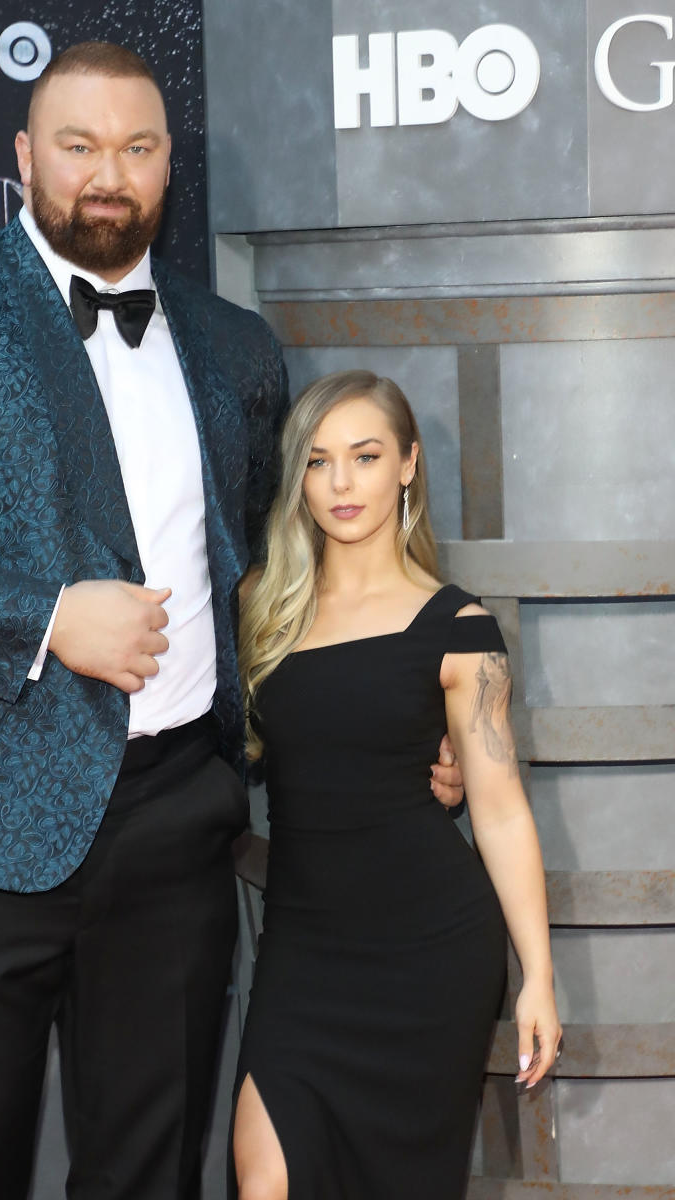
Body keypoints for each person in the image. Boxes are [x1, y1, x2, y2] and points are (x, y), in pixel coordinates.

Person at [0, 43, 464, 1200]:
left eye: (138, 148)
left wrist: (402, 734)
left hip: (175, 833)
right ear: (23, 157)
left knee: (151, 1174)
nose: (109, 174)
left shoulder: (232, 346)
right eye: (80, 145)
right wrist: (46, 620)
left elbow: (278, 582)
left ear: (167, 167)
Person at [232, 370, 561, 1200]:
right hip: (303, 951)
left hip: (430, 952)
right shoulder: (262, 609)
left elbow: (500, 812)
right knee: (264, 1177)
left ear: (408, 465)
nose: (341, 484)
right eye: (317, 461)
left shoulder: (460, 629)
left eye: (366, 456)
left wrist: (540, 975)